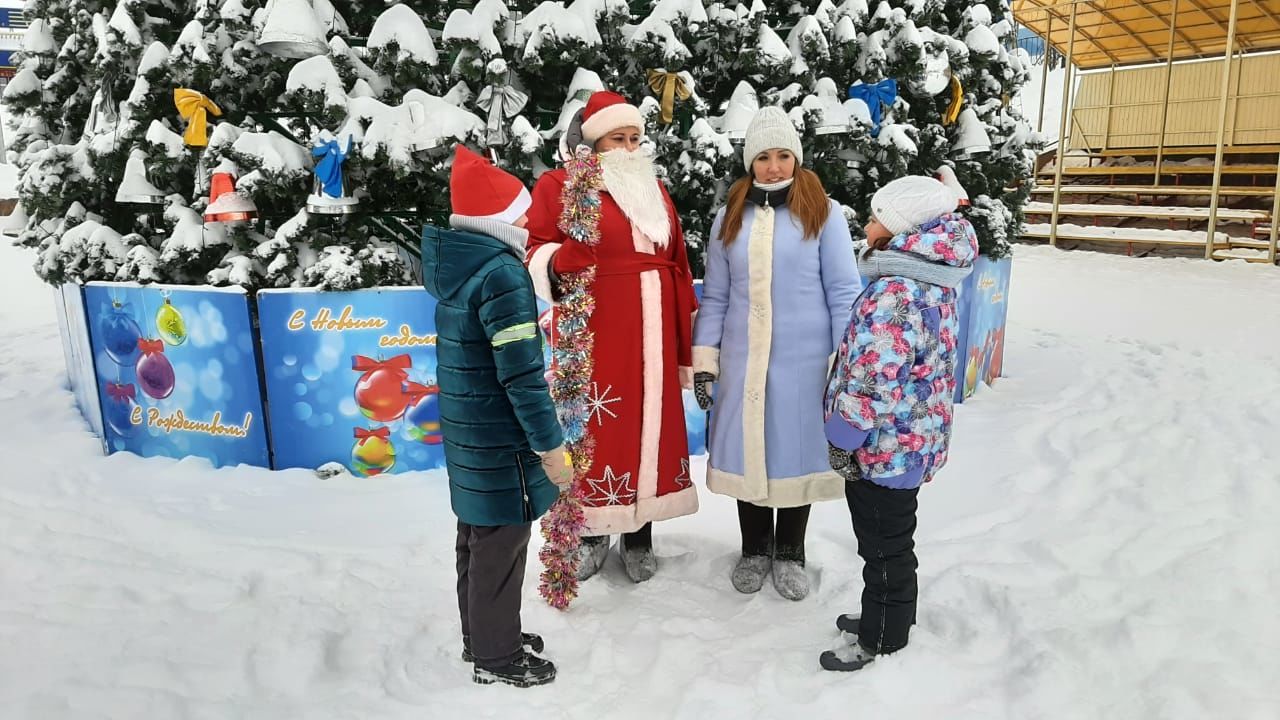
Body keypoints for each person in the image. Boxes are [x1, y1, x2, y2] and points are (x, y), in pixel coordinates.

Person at [525, 90, 699, 583]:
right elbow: (536, 247)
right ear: (593, 141)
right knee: (598, 426)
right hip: (599, 323)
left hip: (656, 324)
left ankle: (640, 534)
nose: (627, 147)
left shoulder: (655, 188)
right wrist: (559, 262)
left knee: (650, 423)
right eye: (616, 138)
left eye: (634, 138)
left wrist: (686, 325)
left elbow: (678, 259)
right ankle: (591, 531)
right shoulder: (561, 184)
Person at [691, 106, 861, 601]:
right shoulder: (729, 218)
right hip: (745, 361)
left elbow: (844, 291)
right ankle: (752, 547)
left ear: (797, 158)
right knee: (749, 450)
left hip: (805, 362)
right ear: (750, 162)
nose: (774, 167)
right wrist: (707, 359)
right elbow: (717, 296)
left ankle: (790, 551)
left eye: (783, 155)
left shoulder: (823, 214)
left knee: (795, 452)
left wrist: (844, 364)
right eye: (763, 157)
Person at [422, 145, 574, 688]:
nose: (529, 219)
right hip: (501, 443)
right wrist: (550, 448)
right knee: (501, 548)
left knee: (477, 539)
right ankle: (497, 655)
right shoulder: (502, 276)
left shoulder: (461, 269)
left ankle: (483, 635)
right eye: (521, 211)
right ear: (501, 219)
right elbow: (522, 376)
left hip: (471, 437)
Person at [819, 175, 977, 672]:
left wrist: (844, 437)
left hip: (884, 447)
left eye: (874, 216)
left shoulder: (896, 292)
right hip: (914, 439)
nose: (865, 224)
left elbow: (872, 378)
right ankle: (888, 616)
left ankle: (881, 638)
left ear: (900, 228)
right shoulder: (932, 278)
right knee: (892, 542)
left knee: (883, 548)